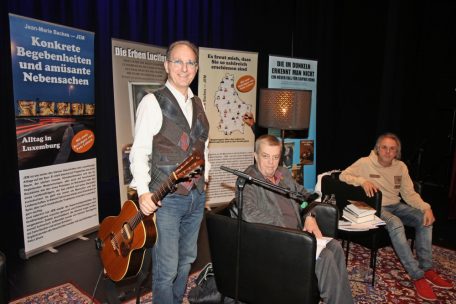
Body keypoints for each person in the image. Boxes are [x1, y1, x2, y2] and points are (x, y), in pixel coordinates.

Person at [129, 40, 210, 304]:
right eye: (178, 61)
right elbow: (139, 151)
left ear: (196, 68)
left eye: (190, 63)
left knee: (186, 261)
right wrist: (143, 192)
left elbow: (203, 147)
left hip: (196, 198)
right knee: (166, 268)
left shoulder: (199, 104)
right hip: (167, 200)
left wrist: (204, 179)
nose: (184, 68)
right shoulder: (153, 102)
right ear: (166, 65)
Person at [237, 134, 354, 304]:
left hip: (298, 235)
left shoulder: (283, 173)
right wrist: (286, 228)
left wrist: (309, 216)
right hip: (277, 240)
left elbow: (305, 197)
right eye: (265, 156)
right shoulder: (247, 180)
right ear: (255, 156)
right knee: (325, 257)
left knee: (335, 247)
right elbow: (249, 214)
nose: (271, 163)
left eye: (275, 157)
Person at [339, 132, 452, 301]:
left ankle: (427, 268)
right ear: (378, 149)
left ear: (397, 152)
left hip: (396, 205)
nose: (387, 151)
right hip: (377, 206)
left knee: (424, 219)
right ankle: (417, 276)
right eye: (384, 147)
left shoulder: (401, 167)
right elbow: (343, 175)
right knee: (396, 223)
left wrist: (426, 208)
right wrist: (362, 181)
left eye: (392, 149)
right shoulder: (365, 162)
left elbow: (409, 193)